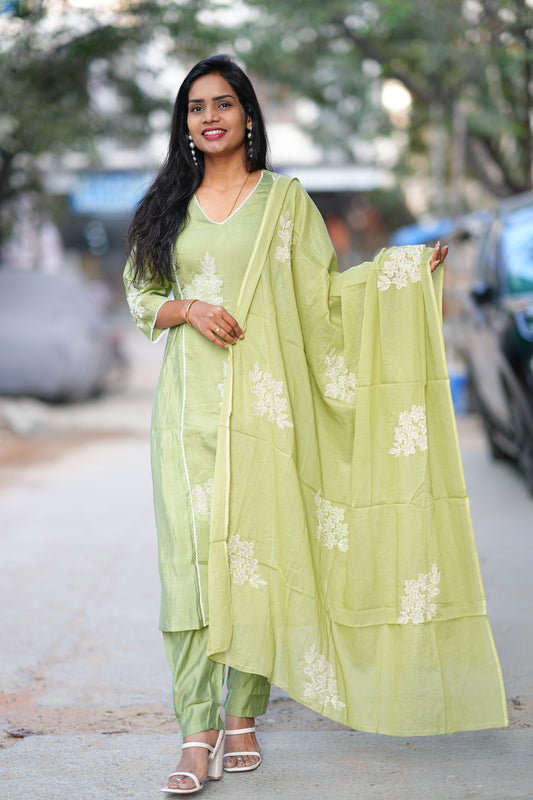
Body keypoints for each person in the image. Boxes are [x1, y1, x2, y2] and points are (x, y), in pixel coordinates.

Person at [124, 55, 507, 796]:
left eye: (223, 103)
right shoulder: (167, 204)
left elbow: (323, 301)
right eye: (195, 107)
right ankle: (196, 730)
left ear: (247, 115)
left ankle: (242, 714)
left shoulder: (285, 202)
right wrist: (187, 307)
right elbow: (142, 292)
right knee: (190, 567)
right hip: (186, 414)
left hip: (265, 413)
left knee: (255, 560)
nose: (209, 117)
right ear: (184, 124)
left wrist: (400, 277)